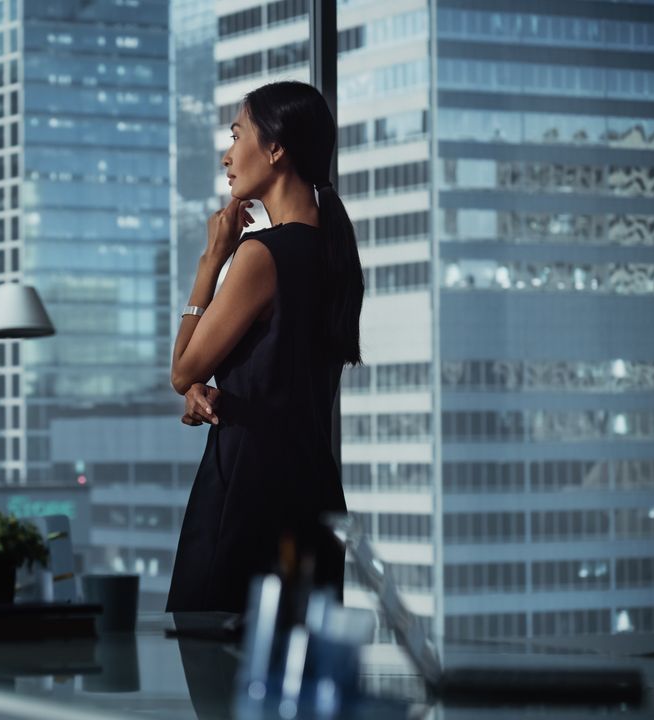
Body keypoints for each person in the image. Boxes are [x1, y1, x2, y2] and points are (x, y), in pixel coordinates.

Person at [166, 81, 365, 613]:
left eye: (237, 135)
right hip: (314, 497)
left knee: (216, 673)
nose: (228, 156)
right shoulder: (335, 253)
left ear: (276, 148)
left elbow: (183, 369)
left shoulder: (261, 255)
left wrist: (211, 261)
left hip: (248, 496)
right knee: (298, 678)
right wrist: (220, 390)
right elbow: (280, 371)